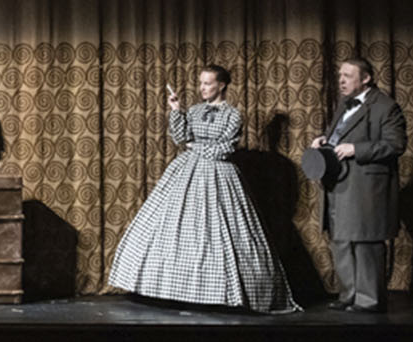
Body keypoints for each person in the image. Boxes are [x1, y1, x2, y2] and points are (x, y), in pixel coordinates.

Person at [108, 65, 299, 313]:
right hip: (186, 173)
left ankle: (221, 293)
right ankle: (176, 290)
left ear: (221, 85)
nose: (202, 88)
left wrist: (194, 146)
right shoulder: (195, 111)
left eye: (208, 83)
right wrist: (176, 111)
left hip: (219, 175)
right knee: (175, 228)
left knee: (219, 232)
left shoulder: (233, 115)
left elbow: (224, 150)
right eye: (201, 83)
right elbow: (180, 138)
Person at [308, 57, 406, 313]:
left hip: (365, 186)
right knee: (340, 239)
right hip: (339, 182)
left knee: (365, 241)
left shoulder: (385, 107)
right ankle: (348, 294)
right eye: (340, 75)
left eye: (348, 76)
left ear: (366, 78)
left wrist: (357, 149)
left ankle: (368, 300)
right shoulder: (344, 104)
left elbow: (395, 145)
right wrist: (324, 141)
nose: (341, 80)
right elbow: (340, 135)